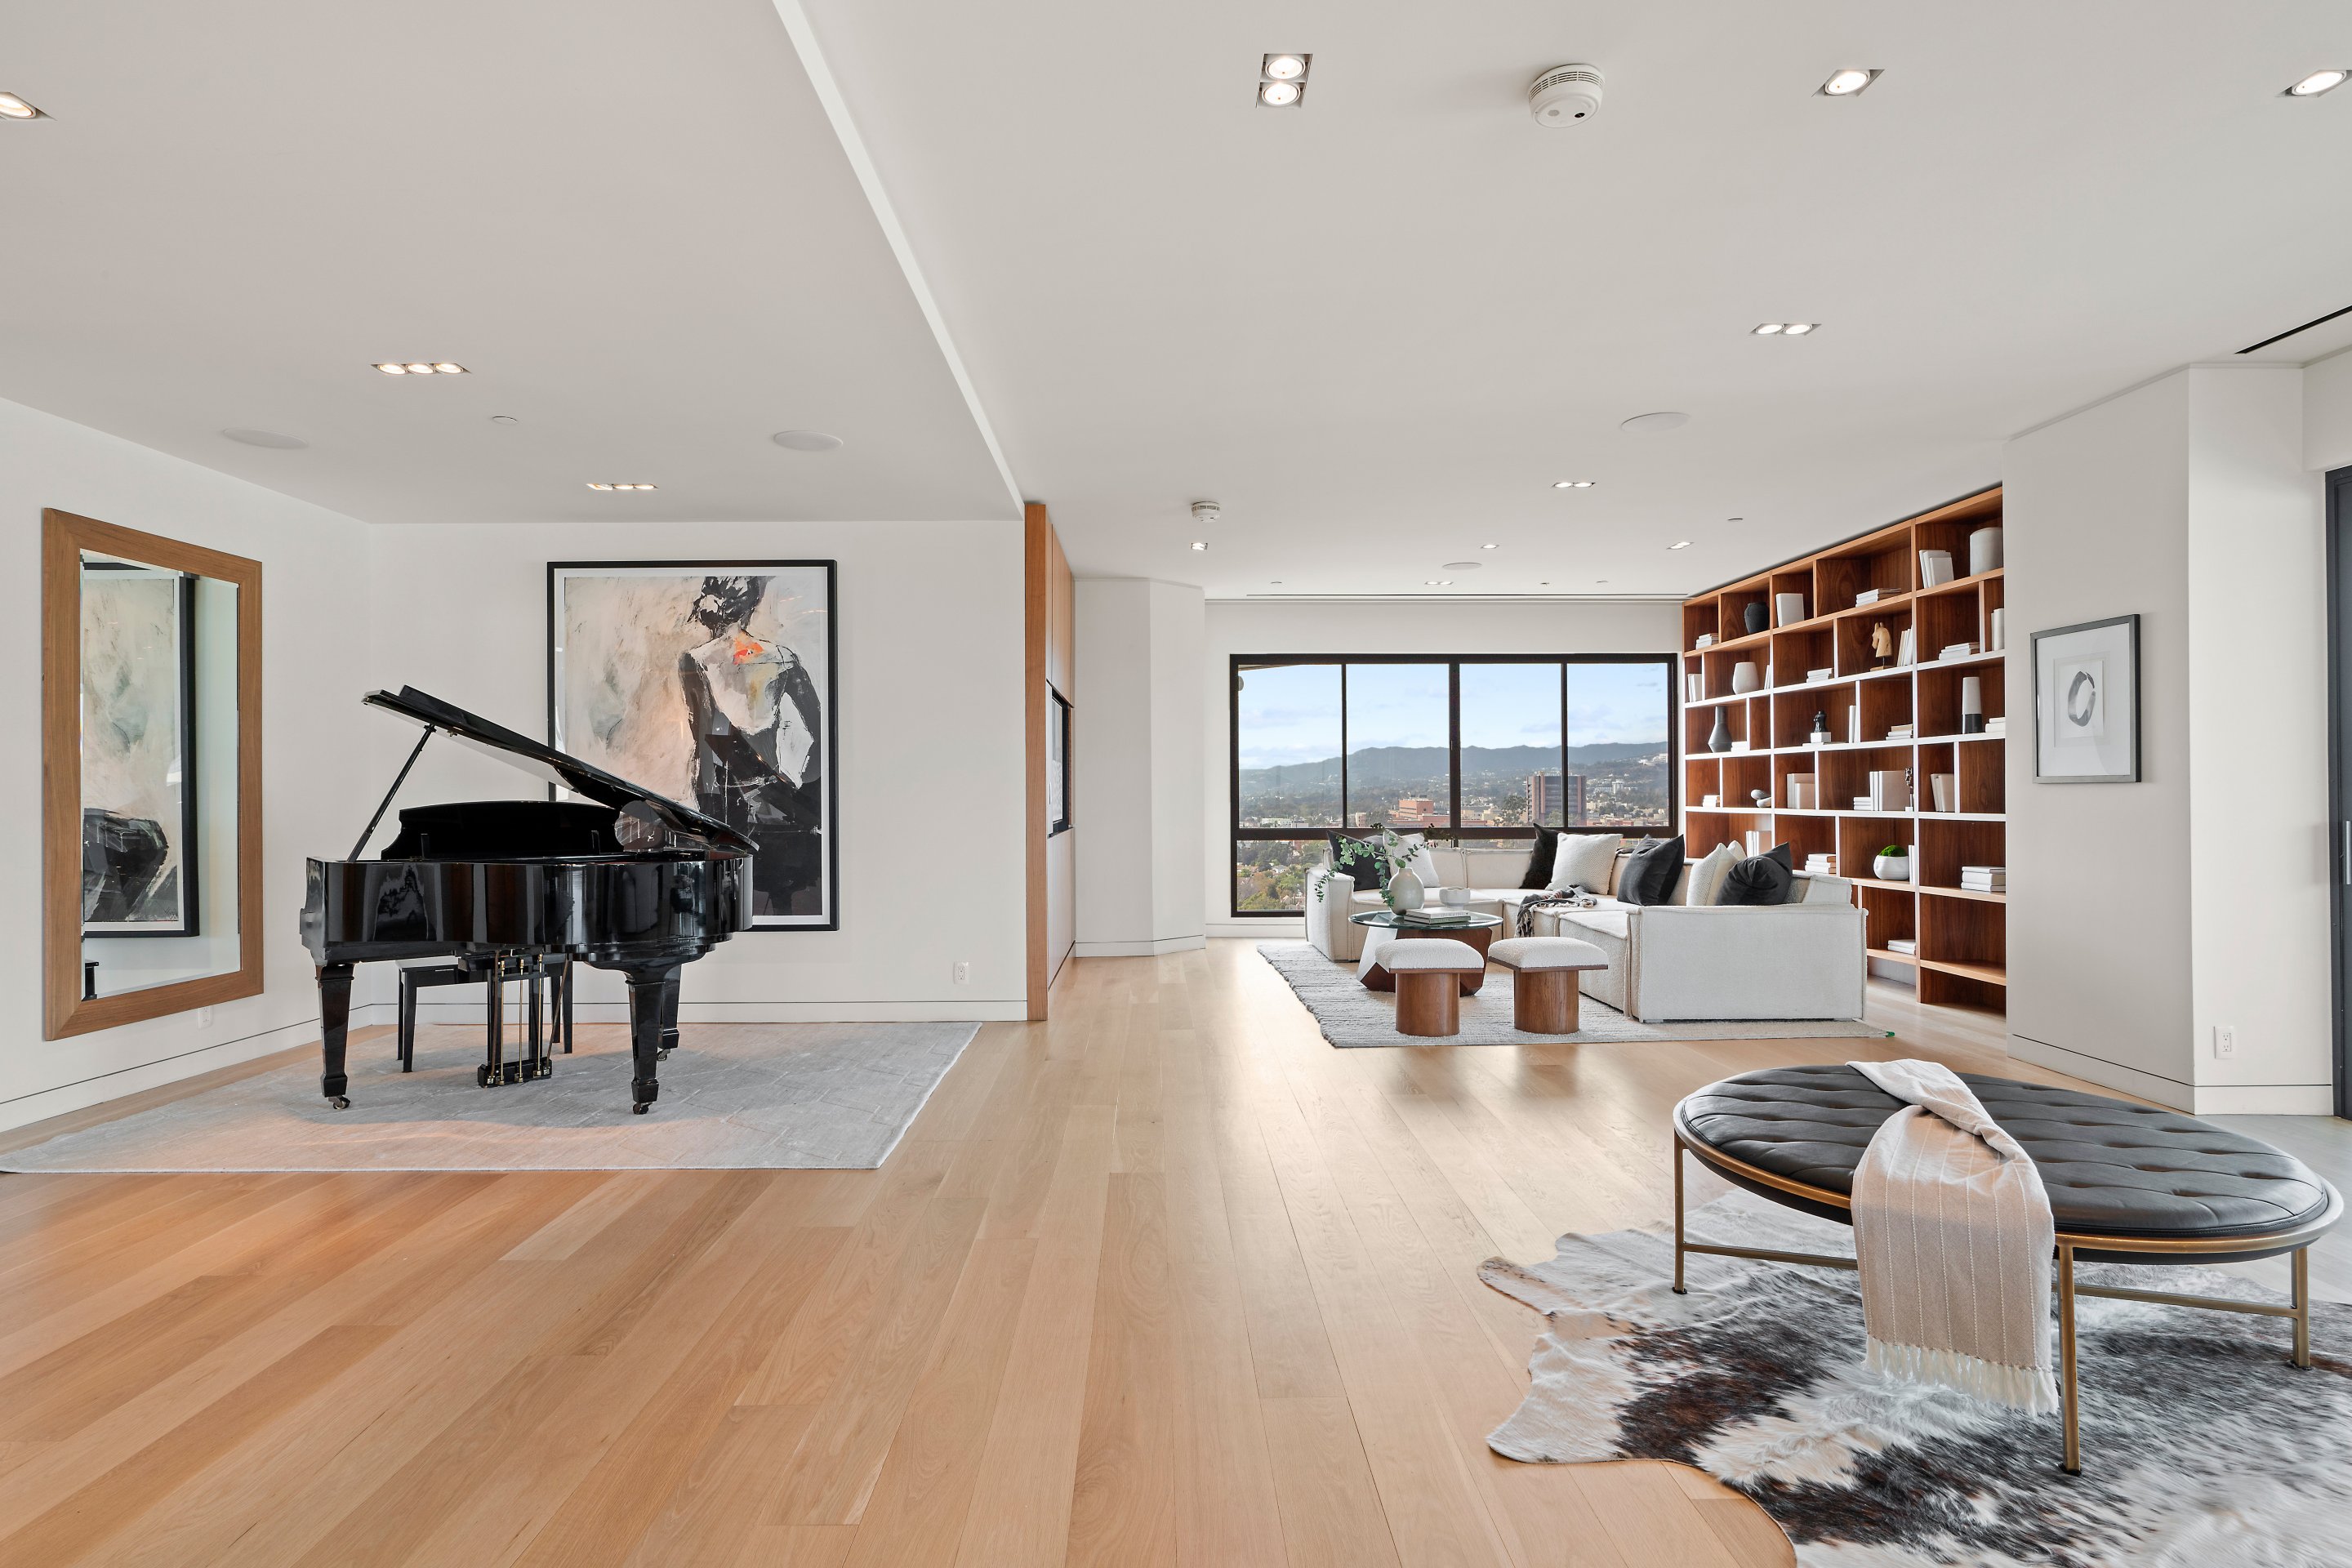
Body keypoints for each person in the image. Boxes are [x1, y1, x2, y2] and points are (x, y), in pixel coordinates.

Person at [677, 576, 823, 917]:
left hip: (724, 793)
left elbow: (705, 741)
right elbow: (821, 730)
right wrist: (798, 786)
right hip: (776, 793)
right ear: (751, 605)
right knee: (781, 890)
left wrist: (708, 807)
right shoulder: (782, 657)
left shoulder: (697, 660)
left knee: (721, 898)